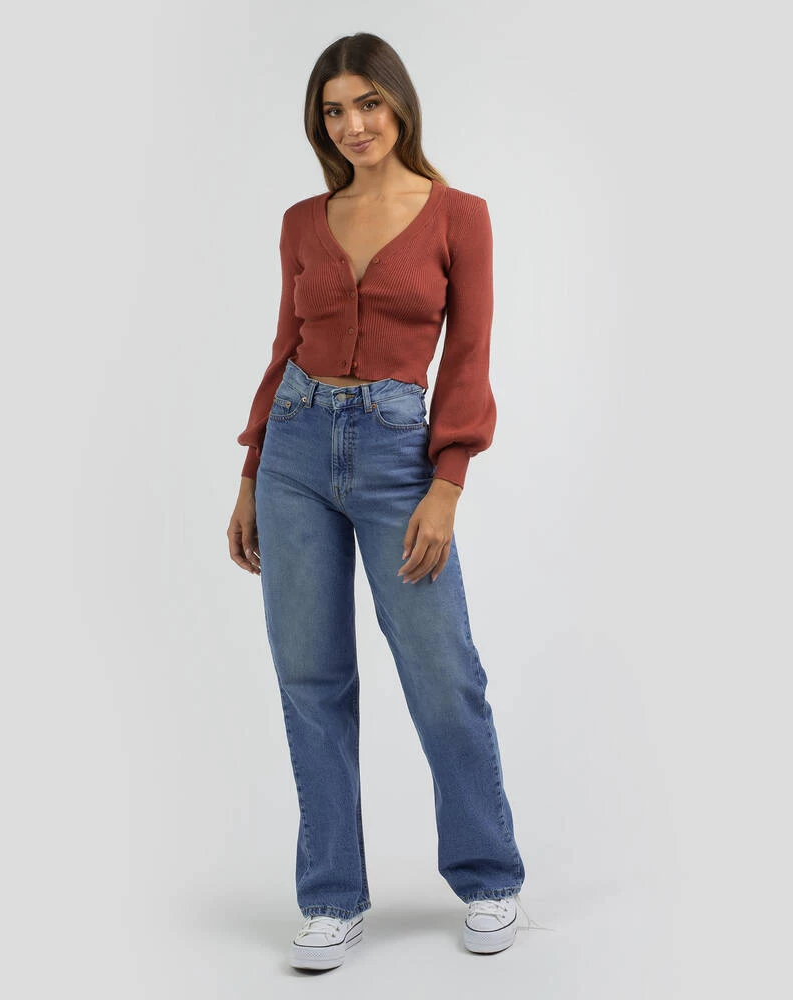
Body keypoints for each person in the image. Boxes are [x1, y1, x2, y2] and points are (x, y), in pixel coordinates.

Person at [227, 32, 526, 970]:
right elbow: (284, 348)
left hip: (401, 455)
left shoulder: (459, 216)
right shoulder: (302, 221)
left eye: (367, 104)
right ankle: (331, 898)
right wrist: (250, 473)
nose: (352, 125)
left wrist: (448, 482)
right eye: (333, 110)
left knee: (443, 673)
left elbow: (469, 355)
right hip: (294, 451)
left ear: (398, 104)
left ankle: (489, 877)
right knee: (310, 679)